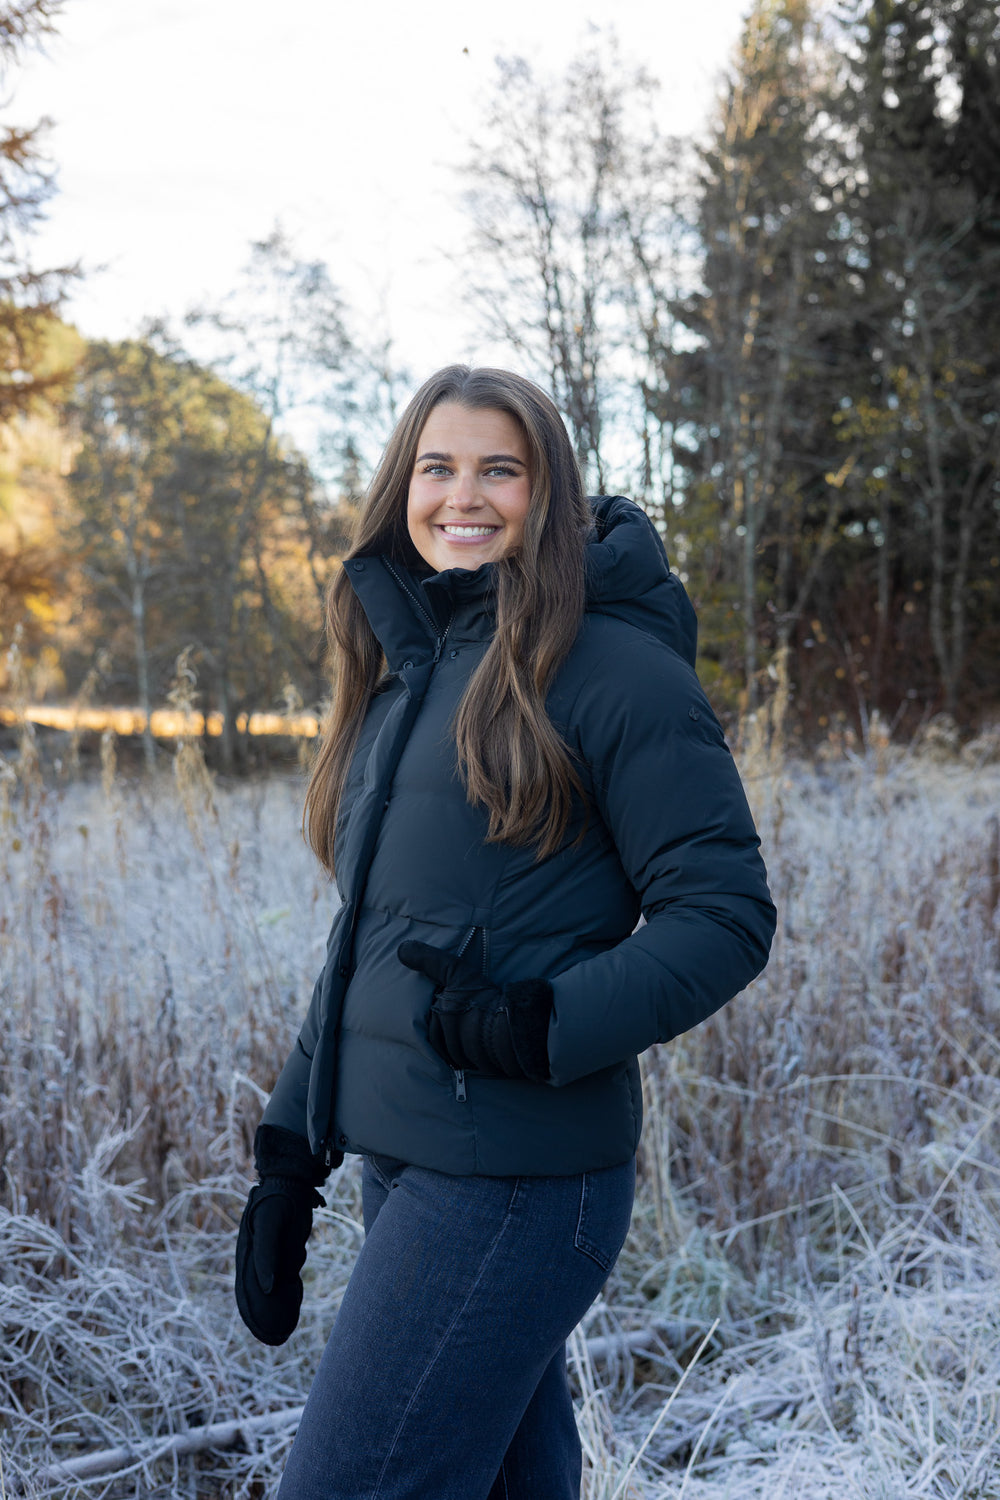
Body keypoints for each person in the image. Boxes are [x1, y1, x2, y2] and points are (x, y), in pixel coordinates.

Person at [235, 366, 776, 1499]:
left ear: (551, 492)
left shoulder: (616, 669)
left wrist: (543, 1023)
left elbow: (723, 915)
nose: (463, 496)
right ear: (403, 486)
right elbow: (371, 939)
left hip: (516, 1181)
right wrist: (291, 1147)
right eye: (437, 467)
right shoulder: (413, 672)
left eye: (500, 469)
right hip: (410, 1158)